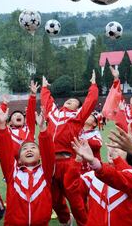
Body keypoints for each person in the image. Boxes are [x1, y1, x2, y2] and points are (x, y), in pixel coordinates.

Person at [41, 71, 98, 226]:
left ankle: (84, 223)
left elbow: (90, 101)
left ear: (78, 108)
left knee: (75, 199)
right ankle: (65, 220)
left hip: (69, 161)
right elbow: (46, 101)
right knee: (54, 199)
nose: (69, 101)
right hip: (51, 163)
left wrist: (93, 85)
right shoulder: (53, 114)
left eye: (73, 101)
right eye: (68, 100)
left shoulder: (78, 116)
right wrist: (45, 88)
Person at [0, 104, 55, 225]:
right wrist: (2, 126)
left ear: (40, 156)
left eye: (33, 147)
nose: (29, 149)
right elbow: (5, 152)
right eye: (25, 149)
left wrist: (43, 129)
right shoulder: (12, 172)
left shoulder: (45, 172)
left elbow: (49, 152)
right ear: (19, 159)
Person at [64, 139, 132, 226]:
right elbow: (71, 188)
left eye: (119, 147)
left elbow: (124, 180)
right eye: (111, 147)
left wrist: (117, 159)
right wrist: (77, 160)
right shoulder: (92, 176)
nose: (113, 149)